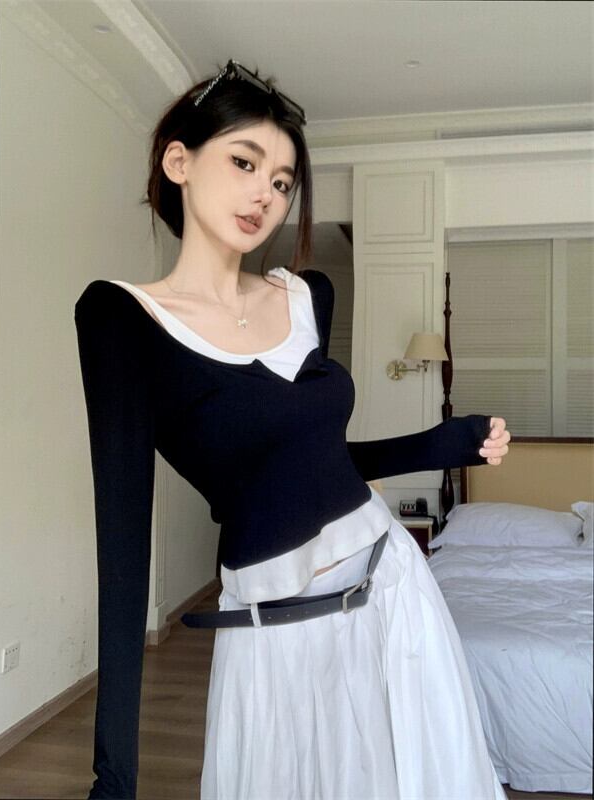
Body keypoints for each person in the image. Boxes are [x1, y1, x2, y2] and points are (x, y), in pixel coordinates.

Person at [75, 59, 511, 800]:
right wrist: (114, 776)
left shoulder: (308, 295)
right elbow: (122, 548)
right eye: (244, 162)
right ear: (179, 161)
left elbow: (309, 460)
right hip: (270, 626)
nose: (265, 195)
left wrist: (438, 444)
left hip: (389, 584)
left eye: (282, 182)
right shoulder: (123, 319)